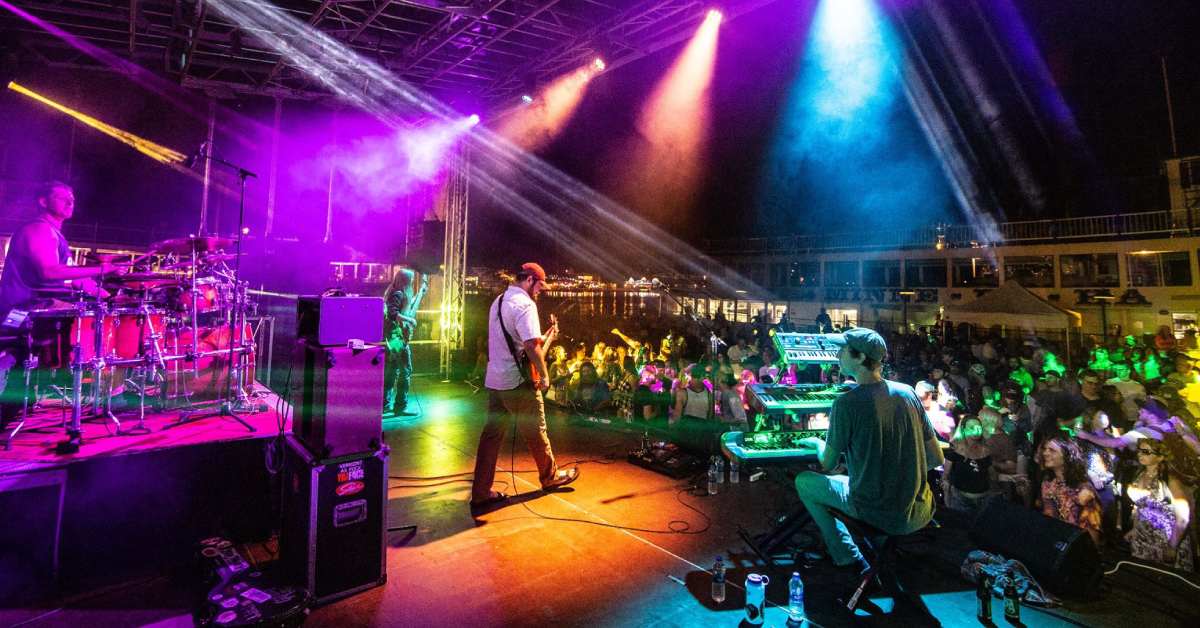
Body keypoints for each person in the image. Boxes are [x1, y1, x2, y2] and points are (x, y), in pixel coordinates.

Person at [795, 327, 944, 576]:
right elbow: (935, 458)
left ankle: (846, 556)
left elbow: (828, 463)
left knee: (805, 481)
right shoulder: (907, 393)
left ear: (861, 358)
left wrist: (817, 443)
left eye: (843, 350)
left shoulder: (846, 403)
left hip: (874, 510)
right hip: (920, 510)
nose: (838, 355)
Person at [0, 182, 119, 433]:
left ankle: (82, 382)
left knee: (99, 309)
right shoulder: (38, 230)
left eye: (72, 197)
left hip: (37, 307)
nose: (70, 201)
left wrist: (107, 293)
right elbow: (50, 271)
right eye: (62, 197)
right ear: (43, 201)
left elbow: (72, 277)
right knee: (88, 315)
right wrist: (101, 270)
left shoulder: (55, 234)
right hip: (21, 310)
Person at [470, 263, 577, 511]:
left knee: (491, 437)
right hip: (516, 383)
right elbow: (530, 347)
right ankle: (549, 476)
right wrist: (545, 374)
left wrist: (548, 338)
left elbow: (523, 347)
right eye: (539, 286)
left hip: (496, 380)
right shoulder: (526, 305)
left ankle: (480, 492)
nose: (540, 291)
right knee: (536, 430)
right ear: (529, 280)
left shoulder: (498, 301)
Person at [1125, 438, 1194, 571]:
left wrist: (1173, 546)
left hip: (1165, 540)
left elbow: (1183, 518)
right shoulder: (1139, 474)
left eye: (1146, 451)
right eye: (1139, 450)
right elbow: (1140, 507)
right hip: (1143, 538)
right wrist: (1134, 529)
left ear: (1160, 457)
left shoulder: (1170, 481)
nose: (1140, 454)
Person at [1037, 435, 1102, 546]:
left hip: (1077, 548)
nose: (1045, 453)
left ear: (1067, 456)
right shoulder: (1048, 484)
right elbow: (1048, 517)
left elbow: (1092, 533)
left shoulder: (1083, 490)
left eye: (1052, 450)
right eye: (1045, 449)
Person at [382, 267, 426, 417]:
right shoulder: (398, 293)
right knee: (405, 371)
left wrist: (420, 294)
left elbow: (401, 307)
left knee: (392, 370)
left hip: (392, 338)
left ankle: (385, 405)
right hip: (397, 338)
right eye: (411, 280)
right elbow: (393, 313)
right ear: (405, 280)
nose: (412, 282)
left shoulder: (393, 291)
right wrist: (410, 319)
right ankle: (401, 407)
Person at [942, 415, 995, 514]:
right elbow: (946, 476)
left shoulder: (986, 450)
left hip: (983, 500)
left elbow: (992, 476)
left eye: (978, 427)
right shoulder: (954, 449)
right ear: (963, 429)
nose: (976, 430)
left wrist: (1010, 477)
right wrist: (947, 495)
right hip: (960, 500)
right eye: (972, 427)